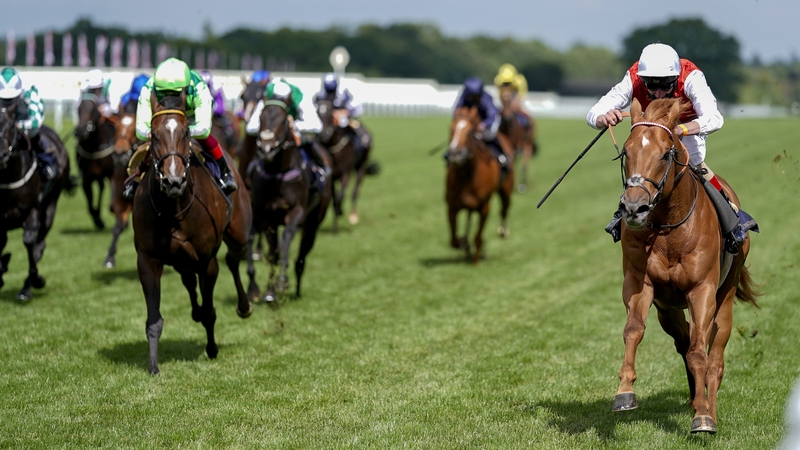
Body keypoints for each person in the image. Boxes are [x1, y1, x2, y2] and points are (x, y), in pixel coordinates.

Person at [587, 42, 754, 253]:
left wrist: (681, 130)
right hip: (652, 135)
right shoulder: (634, 76)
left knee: (695, 162)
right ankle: (624, 214)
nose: (658, 93)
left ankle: (732, 221)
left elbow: (715, 118)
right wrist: (603, 117)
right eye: (651, 86)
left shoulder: (691, 76)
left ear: (675, 78)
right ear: (643, 79)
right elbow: (594, 112)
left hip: (685, 131)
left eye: (665, 86)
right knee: (641, 165)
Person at [122, 57, 237, 200]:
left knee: (205, 139)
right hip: (164, 117)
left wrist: (183, 132)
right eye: (163, 93)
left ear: (186, 88)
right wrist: (155, 133)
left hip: (191, 115)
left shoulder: (199, 88)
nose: (169, 97)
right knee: (156, 141)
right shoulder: (148, 88)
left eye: (175, 93)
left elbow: (203, 129)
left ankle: (225, 172)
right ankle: (137, 179)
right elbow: (141, 130)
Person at [245, 77, 329, 177]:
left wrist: (293, 125)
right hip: (272, 137)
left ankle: (320, 170)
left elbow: (317, 126)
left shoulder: (300, 96)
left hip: (294, 134)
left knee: (307, 141)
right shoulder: (268, 94)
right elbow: (250, 127)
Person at [0, 66, 59, 190]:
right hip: (4, 128)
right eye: (4, 99)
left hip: (24, 128)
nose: (8, 103)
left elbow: (36, 121)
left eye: (11, 99)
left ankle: (47, 164)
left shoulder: (29, 91)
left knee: (34, 137)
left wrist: (18, 126)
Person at [451, 76, 508, 170]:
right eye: (471, 96)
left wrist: (483, 125)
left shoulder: (487, 98)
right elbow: (457, 111)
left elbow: (492, 115)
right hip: (470, 124)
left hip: (487, 123)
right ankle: (451, 154)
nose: (473, 98)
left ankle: (501, 155)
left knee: (490, 136)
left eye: (476, 96)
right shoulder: (463, 97)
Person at [312, 72, 371, 158]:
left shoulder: (343, 95)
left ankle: (360, 153)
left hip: (345, 120)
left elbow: (357, 108)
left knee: (364, 137)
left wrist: (343, 112)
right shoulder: (319, 97)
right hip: (324, 123)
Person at [493, 63, 531, 129]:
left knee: (523, 111)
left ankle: (526, 126)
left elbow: (521, 93)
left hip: (515, 94)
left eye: (509, 82)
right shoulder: (498, 81)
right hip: (504, 97)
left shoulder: (520, 81)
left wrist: (516, 102)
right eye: (505, 83)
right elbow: (500, 94)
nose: (507, 84)